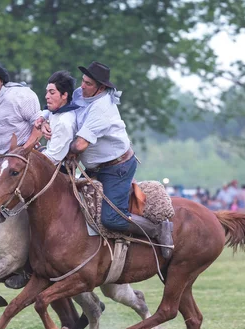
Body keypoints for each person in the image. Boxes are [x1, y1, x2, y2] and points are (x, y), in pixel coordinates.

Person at [45, 61, 173, 258]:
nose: (82, 86)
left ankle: (158, 229)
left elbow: (79, 146)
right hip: (94, 166)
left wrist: (62, 149)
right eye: (83, 80)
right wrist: (43, 117)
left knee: (111, 218)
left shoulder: (102, 108)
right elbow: (62, 107)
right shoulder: (81, 93)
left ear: (101, 87)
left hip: (116, 167)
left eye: (88, 83)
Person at [37, 70, 79, 164]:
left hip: (58, 171)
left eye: (52, 93)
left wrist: (30, 154)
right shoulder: (57, 110)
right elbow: (47, 111)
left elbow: (51, 158)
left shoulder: (64, 121)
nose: (46, 96)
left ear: (64, 95)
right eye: (47, 92)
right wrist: (43, 120)